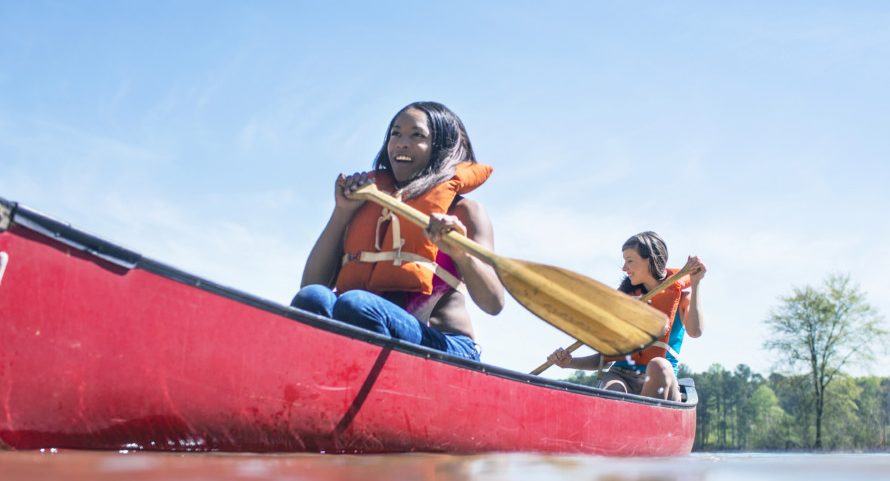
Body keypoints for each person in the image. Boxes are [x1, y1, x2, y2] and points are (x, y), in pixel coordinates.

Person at [291, 102, 504, 360]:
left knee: (357, 305)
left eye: (417, 135)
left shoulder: (465, 212)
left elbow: (494, 303)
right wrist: (342, 212)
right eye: (395, 133)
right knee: (313, 298)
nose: (402, 142)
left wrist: (461, 253)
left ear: (441, 148)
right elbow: (310, 287)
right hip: (365, 319)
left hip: (444, 346)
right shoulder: (367, 203)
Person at [548, 233, 706, 400]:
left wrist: (695, 284)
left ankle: (642, 417)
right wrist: (569, 363)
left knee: (659, 365)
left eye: (630, 261)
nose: (624, 268)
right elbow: (606, 359)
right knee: (614, 388)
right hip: (621, 376)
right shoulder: (625, 300)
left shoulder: (681, 298)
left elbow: (695, 331)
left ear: (651, 260)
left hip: (661, 383)